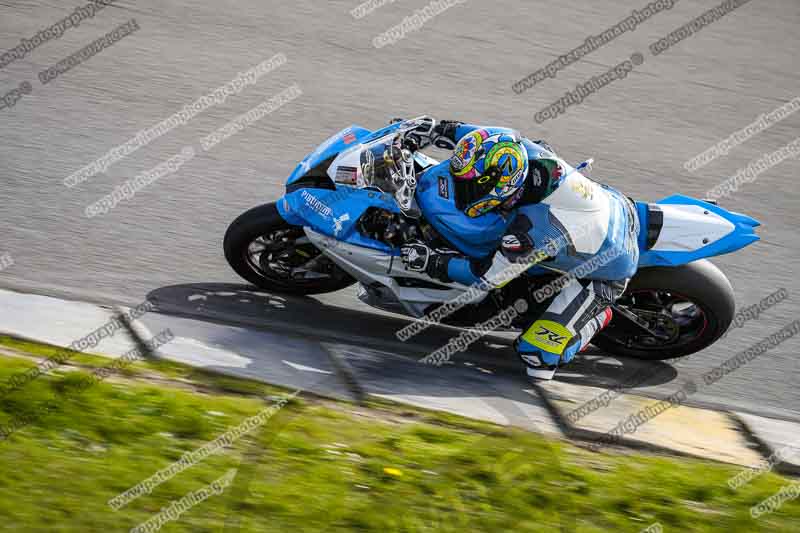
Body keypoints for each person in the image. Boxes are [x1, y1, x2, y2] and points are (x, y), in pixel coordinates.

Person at [399, 119, 639, 380]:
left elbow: (487, 277)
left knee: (536, 357)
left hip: (606, 271)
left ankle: (598, 318)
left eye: (470, 185)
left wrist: (434, 263)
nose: (461, 188)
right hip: (615, 206)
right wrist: (433, 128)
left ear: (498, 186)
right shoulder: (513, 149)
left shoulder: (530, 230)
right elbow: (474, 138)